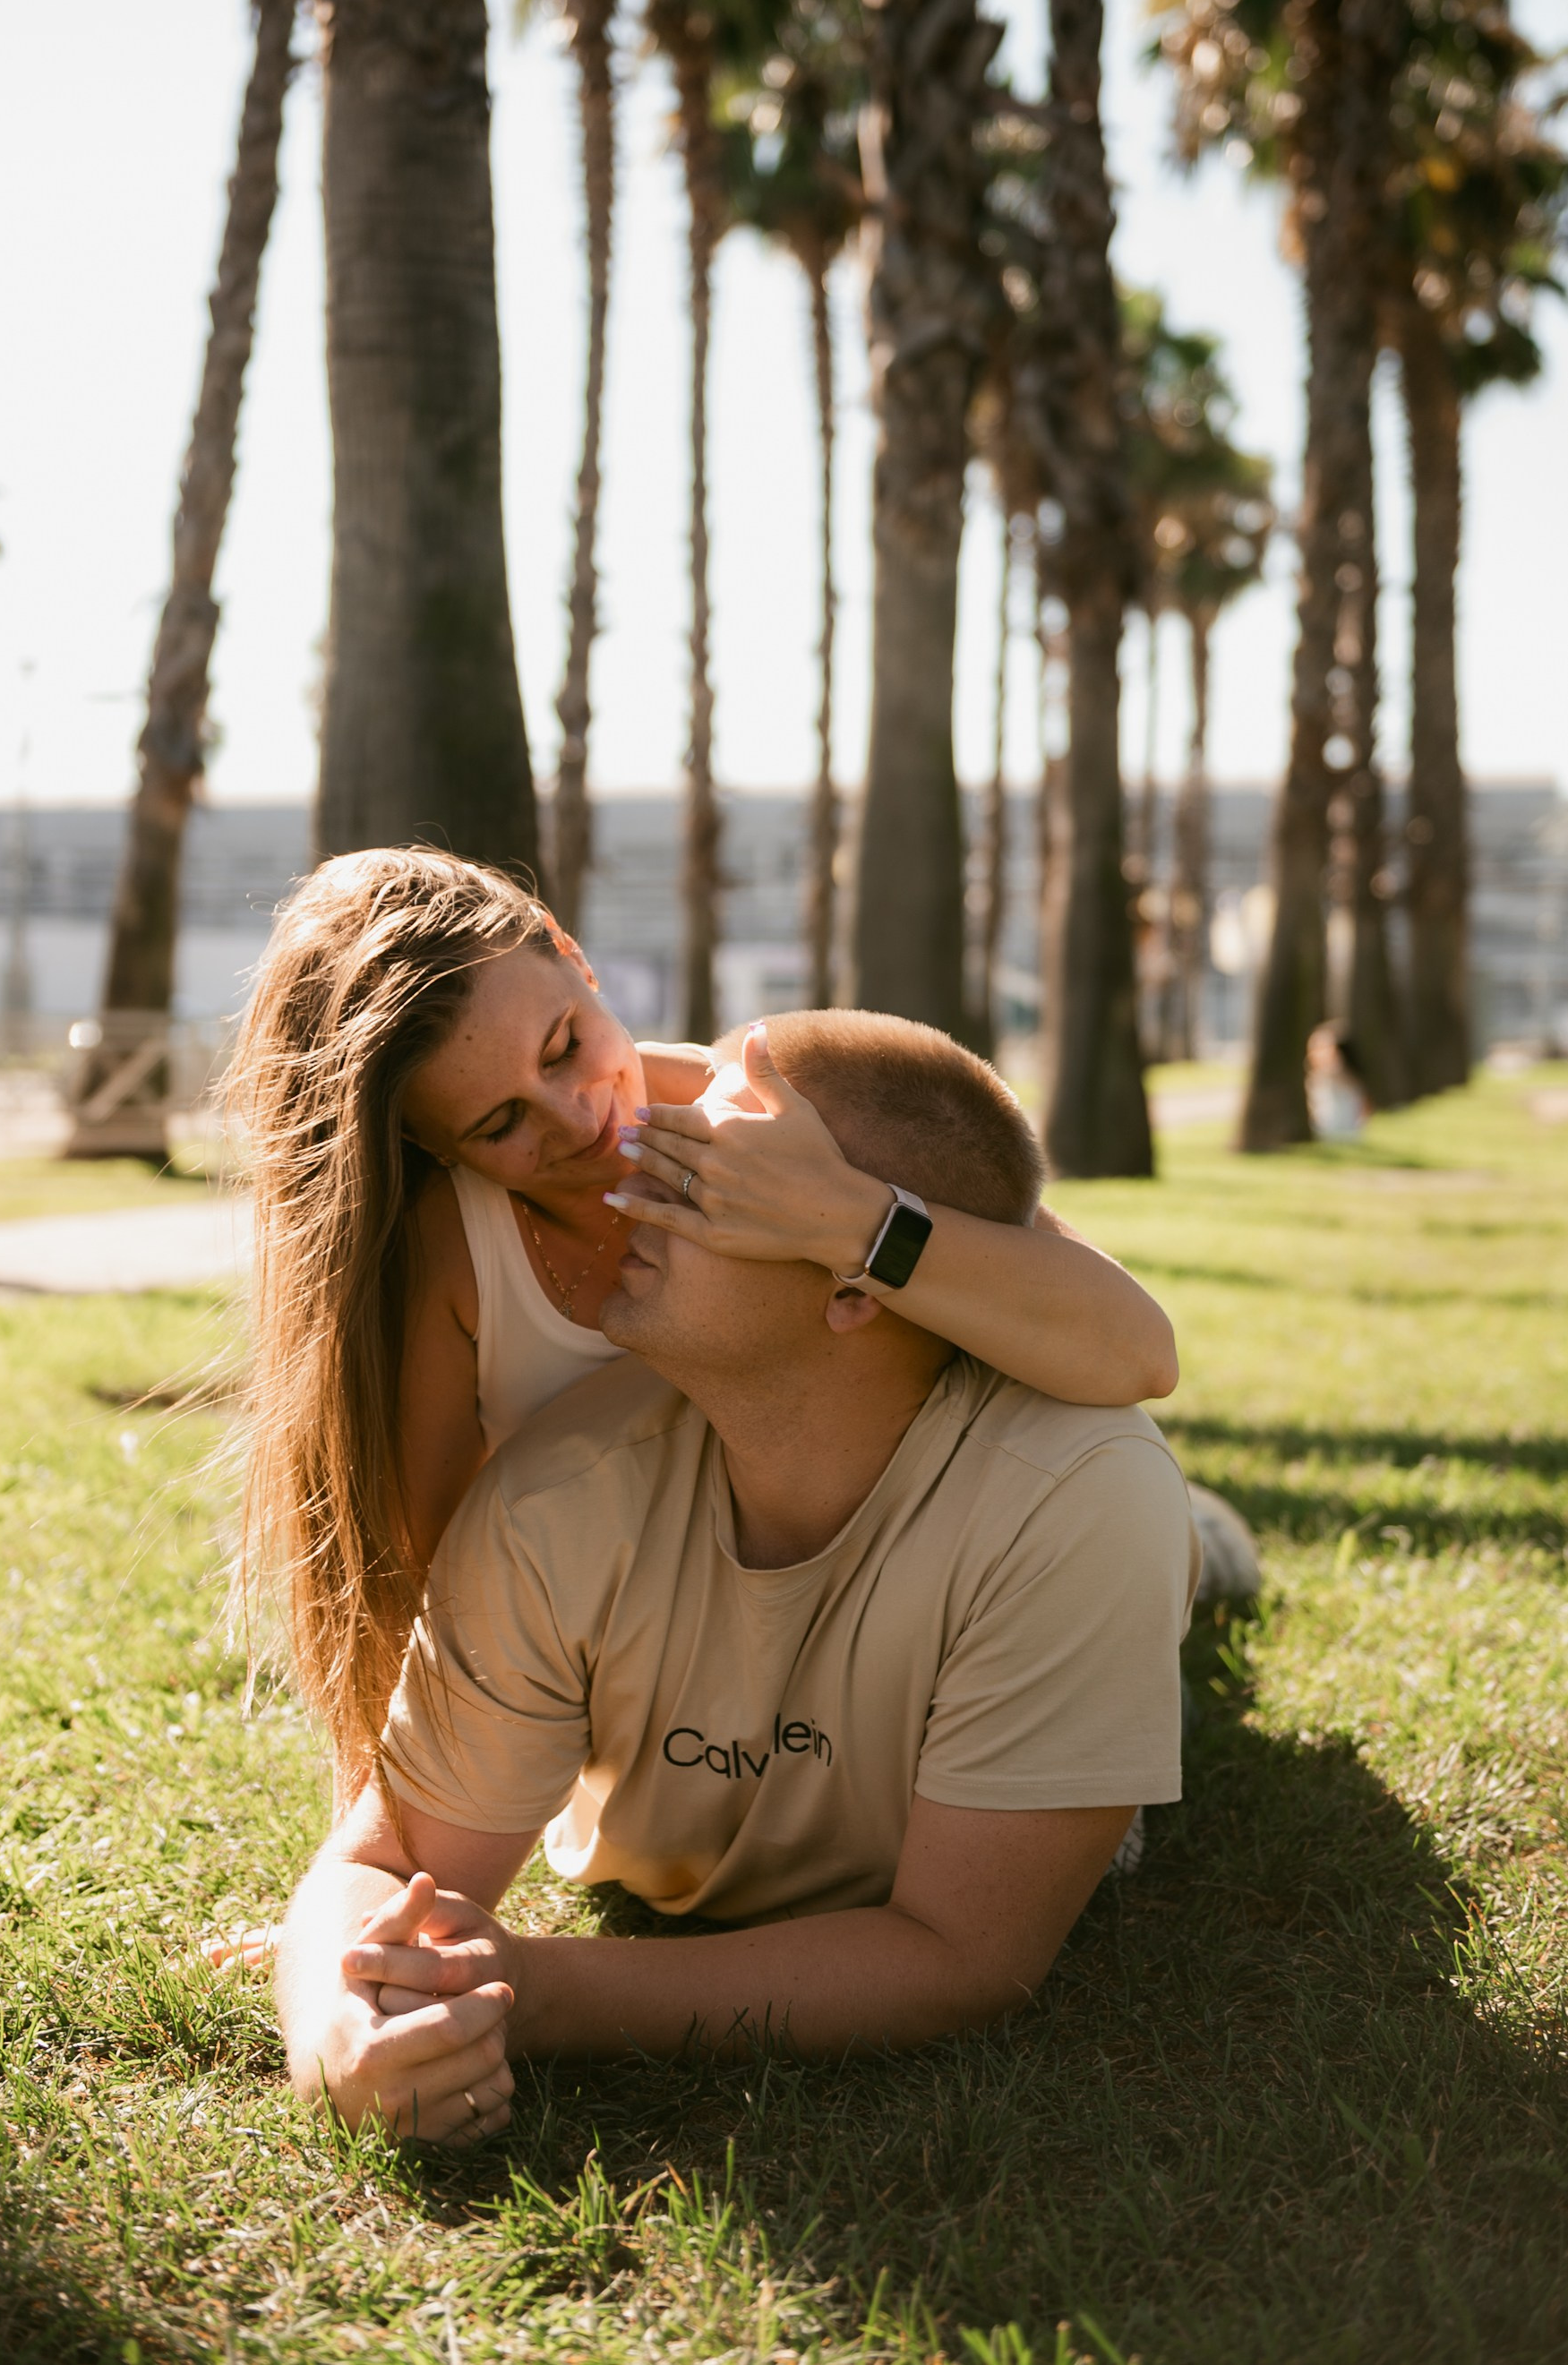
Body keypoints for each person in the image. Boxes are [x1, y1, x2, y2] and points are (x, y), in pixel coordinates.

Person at [273, 1009, 1198, 2141]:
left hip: (1075, 1572)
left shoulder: (1075, 1497)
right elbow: (386, 1864)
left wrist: (530, 1989)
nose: (627, 1192)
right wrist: (343, 2028)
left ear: (857, 1278)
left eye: (699, 1178)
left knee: (1156, 1543)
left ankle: (1207, 1554)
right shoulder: (556, 1495)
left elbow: (963, 1954)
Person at [224, 848, 1179, 1837]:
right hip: (674, 1702)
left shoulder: (777, 1105)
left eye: (563, 1044)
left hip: (900, 1630)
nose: (577, 1116)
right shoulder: (452, 1251)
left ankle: (1199, 1554)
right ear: (435, 1147)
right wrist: (376, 1862)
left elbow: (1137, 1354)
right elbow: (414, 1584)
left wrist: (846, 1217)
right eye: (500, 1121)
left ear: (574, 955)